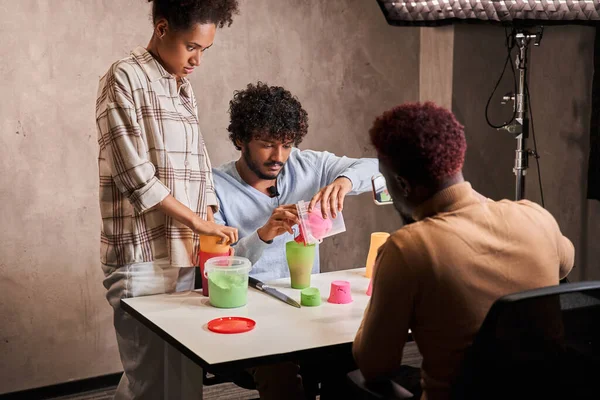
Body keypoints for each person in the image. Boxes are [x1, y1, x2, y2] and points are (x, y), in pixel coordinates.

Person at [352, 101, 575, 400]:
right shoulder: (536, 217)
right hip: (545, 392)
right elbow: (565, 266)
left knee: (348, 379)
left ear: (402, 184)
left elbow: (375, 365)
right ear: (456, 161)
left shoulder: (408, 248)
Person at [95, 1, 239, 398]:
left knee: (183, 377)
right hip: (141, 257)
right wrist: (198, 222)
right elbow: (135, 176)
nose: (197, 59)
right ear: (161, 29)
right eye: (192, 46)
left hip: (183, 255)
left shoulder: (182, 86)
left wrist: (211, 227)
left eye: (205, 50)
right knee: (149, 381)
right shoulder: (124, 76)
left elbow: (199, 167)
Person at [212, 82, 379, 399]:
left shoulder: (308, 165)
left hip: (305, 307)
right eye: (267, 145)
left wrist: (344, 181)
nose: (279, 157)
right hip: (250, 314)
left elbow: (376, 167)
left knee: (355, 350)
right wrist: (263, 234)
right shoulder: (215, 187)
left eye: (287, 145)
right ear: (239, 140)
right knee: (279, 367)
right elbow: (217, 268)